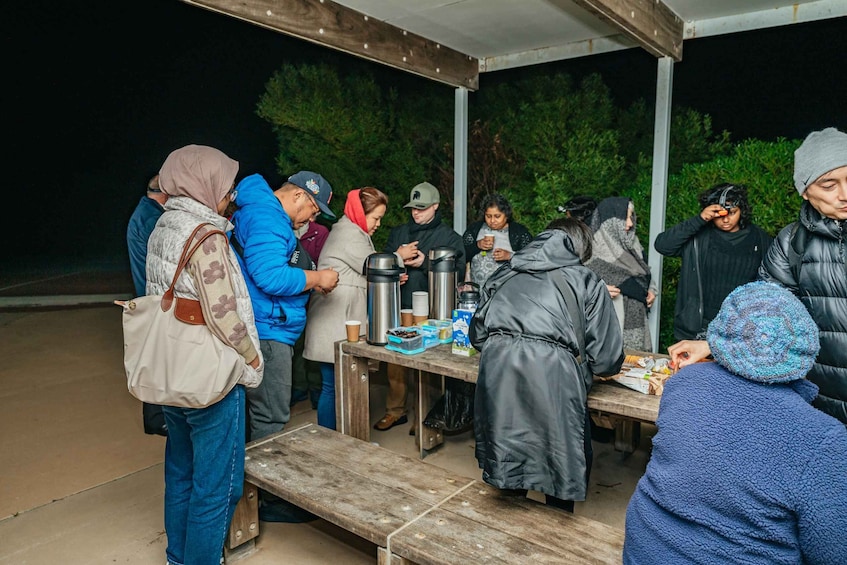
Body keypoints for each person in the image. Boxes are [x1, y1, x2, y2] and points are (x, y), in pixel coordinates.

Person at [624, 281, 847, 564]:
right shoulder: (826, 439)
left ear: (721, 338)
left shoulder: (683, 383)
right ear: (805, 351)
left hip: (644, 550)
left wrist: (713, 349)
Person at [670, 127, 847, 425]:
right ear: (804, 190)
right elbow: (769, 315)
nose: (844, 194)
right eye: (829, 184)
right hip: (820, 407)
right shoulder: (791, 244)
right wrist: (714, 345)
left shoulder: (758, 238)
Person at [145, 144, 264, 565]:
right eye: (227, 186)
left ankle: (177, 559)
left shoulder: (164, 226)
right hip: (209, 377)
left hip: (172, 373)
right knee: (219, 486)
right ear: (203, 183)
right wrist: (252, 359)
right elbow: (223, 314)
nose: (230, 195)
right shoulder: (205, 236)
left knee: (181, 472)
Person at [469, 217, 624, 511]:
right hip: (556, 381)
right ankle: (554, 531)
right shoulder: (587, 281)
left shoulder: (504, 272)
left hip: (499, 378)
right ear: (579, 249)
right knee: (559, 469)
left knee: (509, 465)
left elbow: (478, 336)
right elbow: (606, 359)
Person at [230, 170, 340, 522]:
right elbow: (270, 276)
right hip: (268, 331)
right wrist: (318, 278)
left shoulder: (258, 210)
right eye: (313, 209)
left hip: (264, 326)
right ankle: (268, 501)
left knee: (256, 416)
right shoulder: (268, 217)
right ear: (298, 198)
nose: (312, 218)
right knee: (271, 417)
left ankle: (251, 494)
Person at [373, 181, 466, 432]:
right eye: (413, 207)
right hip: (400, 305)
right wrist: (397, 267)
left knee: (430, 364)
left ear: (435, 206)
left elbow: (457, 275)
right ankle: (395, 411)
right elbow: (383, 266)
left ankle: (427, 417)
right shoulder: (398, 233)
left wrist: (427, 263)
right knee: (395, 360)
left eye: (422, 208)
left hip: (433, 311)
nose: (416, 212)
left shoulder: (450, 237)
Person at [303, 187, 393, 430]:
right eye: (376, 218)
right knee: (333, 386)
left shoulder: (355, 231)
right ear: (360, 213)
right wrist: (400, 257)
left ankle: (344, 442)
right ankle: (331, 444)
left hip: (339, 321)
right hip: (335, 322)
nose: (378, 224)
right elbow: (374, 264)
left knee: (340, 385)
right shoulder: (348, 233)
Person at [654, 183, 772, 340]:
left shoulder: (761, 240)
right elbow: (663, 246)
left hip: (744, 329)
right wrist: (700, 219)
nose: (726, 219)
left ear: (742, 211)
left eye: (732, 213)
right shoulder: (699, 237)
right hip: (699, 327)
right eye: (720, 214)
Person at [126, 173, 169, 437]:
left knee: (155, 360)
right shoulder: (154, 219)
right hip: (154, 299)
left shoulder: (144, 212)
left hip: (146, 297)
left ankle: (155, 418)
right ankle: (157, 419)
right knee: (158, 361)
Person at [585, 197, 656, 351]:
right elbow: (576, 289)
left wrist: (651, 290)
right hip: (608, 331)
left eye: (631, 217)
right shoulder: (590, 251)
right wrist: (598, 291)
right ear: (609, 221)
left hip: (638, 322)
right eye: (625, 217)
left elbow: (644, 272)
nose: (630, 223)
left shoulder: (632, 243)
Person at [291, 218, 330, 408]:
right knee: (297, 344)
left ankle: (316, 387)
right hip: (293, 294)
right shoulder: (284, 228)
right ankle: (299, 386)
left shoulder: (320, 232)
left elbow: (324, 262)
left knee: (313, 343)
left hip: (315, 294)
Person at [461, 193, 532, 284]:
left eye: (497, 216)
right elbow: (461, 255)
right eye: (488, 216)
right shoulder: (475, 229)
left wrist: (510, 256)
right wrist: (477, 245)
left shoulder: (519, 232)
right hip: (477, 290)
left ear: (506, 215)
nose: (492, 221)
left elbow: (530, 259)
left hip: (508, 290)